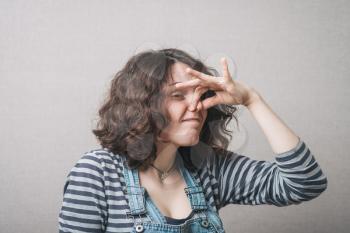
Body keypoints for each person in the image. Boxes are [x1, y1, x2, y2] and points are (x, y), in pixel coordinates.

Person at [58, 48, 328, 233]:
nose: (197, 106)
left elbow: (305, 183)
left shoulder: (209, 168)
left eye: (200, 96)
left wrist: (252, 100)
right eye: (178, 96)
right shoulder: (97, 173)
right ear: (141, 105)